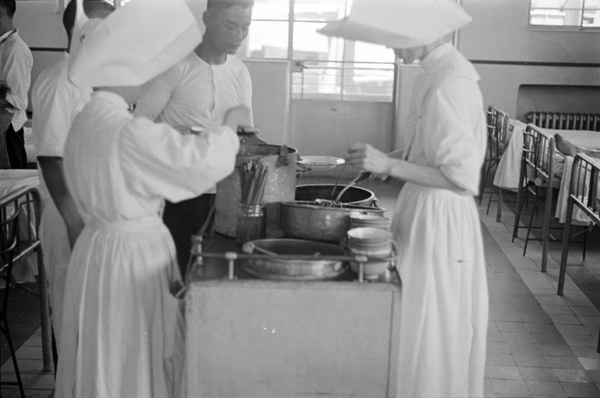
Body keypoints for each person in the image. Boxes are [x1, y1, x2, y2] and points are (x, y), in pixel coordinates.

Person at [54, 0, 250, 396]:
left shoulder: (86, 120)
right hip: (130, 253)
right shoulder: (125, 130)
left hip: (97, 251)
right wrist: (228, 130)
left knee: (103, 352)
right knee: (133, 354)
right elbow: (193, 163)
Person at [320, 0, 488, 396]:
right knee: (412, 312)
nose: (390, 47)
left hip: (442, 217)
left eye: (394, 38)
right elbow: (423, 153)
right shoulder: (430, 76)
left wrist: (391, 166)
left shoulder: (451, 84)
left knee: (430, 322)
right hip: (422, 207)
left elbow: (461, 178)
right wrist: (383, 160)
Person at [134, 0, 255, 274]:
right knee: (176, 272)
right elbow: (139, 123)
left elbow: (245, 133)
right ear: (207, 18)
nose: (238, 35)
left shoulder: (240, 73)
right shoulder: (175, 67)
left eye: (245, 27)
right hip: (178, 195)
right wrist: (179, 138)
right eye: (230, 26)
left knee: (216, 274)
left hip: (224, 194)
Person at [31, 0, 113, 371]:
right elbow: (51, 158)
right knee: (70, 313)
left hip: (95, 215)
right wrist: (74, 223)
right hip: (69, 216)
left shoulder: (97, 82)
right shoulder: (57, 83)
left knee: (94, 317)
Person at [0, 0, 32, 169]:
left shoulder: (15, 50)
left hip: (9, 131)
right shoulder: (3, 46)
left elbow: (15, 99)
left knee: (11, 186)